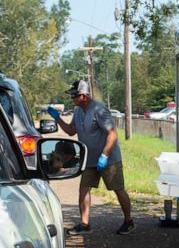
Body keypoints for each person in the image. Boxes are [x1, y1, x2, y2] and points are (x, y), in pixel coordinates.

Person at [46, 80, 135, 235]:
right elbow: (70, 131)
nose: (72, 98)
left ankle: (129, 221)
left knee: (118, 189)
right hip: (89, 159)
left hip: (108, 159)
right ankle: (85, 224)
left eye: (74, 95)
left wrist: (105, 155)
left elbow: (112, 134)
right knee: (84, 189)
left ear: (84, 96)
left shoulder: (99, 110)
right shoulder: (79, 111)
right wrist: (57, 118)